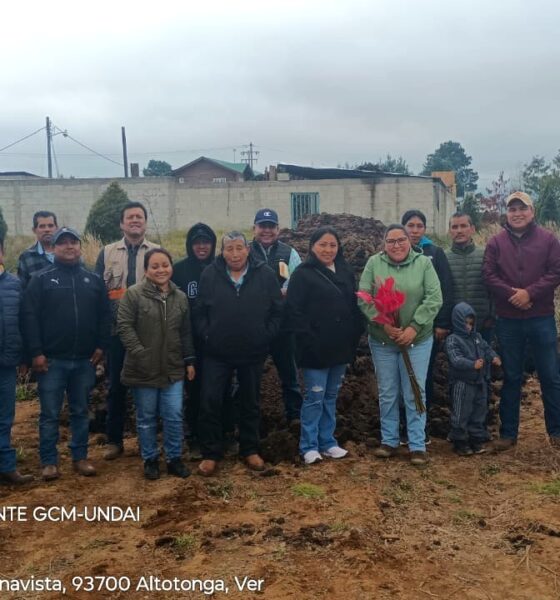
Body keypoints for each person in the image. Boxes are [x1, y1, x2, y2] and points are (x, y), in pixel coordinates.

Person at [23, 227, 110, 480]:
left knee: (80, 411)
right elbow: (29, 317)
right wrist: (36, 352)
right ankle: (49, 462)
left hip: (84, 361)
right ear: (54, 248)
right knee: (49, 414)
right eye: (63, 243)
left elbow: (105, 316)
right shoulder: (41, 279)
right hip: (51, 361)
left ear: (79, 247)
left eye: (73, 242)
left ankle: (80, 457)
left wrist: (101, 346)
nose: (69, 246)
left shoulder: (93, 280)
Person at [194, 232, 283, 476]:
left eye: (239, 248)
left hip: (252, 351)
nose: (234, 254)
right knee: (210, 400)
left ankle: (249, 449)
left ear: (247, 249)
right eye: (229, 249)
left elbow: (277, 310)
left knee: (250, 401)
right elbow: (199, 311)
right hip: (217, 352)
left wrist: (264, 335)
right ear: (222, 252)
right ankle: (211, 453)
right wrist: (208, 335)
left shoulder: (264, 274)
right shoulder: (210, 274)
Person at [358, 225, 442, 465]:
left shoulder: (423, 264)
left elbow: (434, 298)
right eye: (391, 241)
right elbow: (364, 297)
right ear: (384, 243)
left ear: (409, 241)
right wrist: (383, 323)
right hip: (383, 340)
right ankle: (389, 440)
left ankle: (417, 444)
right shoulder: (374, 263)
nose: (396, 245)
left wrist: (414, 327)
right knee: (387, 391)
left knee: (414, 390)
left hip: (417, 340)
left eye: (401, 240)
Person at [482, 191, 560, 450]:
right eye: (512, 209)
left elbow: (555, 272)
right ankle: (508, 434)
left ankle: (556, 432)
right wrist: (512, 295)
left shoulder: (548, 240)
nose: (517, 214)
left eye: (522, 208)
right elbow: (489, 275)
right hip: (509, 320)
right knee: (512, 376)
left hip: (541, 318)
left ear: (532, 211)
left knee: (550, 375)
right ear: (507, 213)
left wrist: (530, 293)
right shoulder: (496, 243)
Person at [286, 227, 363, 464]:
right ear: (312, 246)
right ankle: (308, 446)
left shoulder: (345, 271)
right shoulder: (302, 275)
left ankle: (327, 441)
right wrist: (308, 339)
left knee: (331, 396)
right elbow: (294, 312)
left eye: (332, 245)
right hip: (314, 350)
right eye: (322, 244)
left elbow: (353, 306)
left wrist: (354, 335)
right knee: (315, 397)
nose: (328, 250)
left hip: (340, 347)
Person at [118, 248, 195, 480]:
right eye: (155, 266)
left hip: (173, 367)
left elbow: (185, 332)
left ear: (171, 267)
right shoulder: (133, 295)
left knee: (174, 415)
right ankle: (150, 459)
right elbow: (124, 326)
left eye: (165, 265)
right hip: (143, 368)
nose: (161, 270)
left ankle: (174, 458)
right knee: (146, 417)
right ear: (146, 270)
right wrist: (140, 353)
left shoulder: (180, 297)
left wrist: (189, 360)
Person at [95, 201, 159, 460]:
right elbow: (100, 295)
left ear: (145, 223)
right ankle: (114, 440)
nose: (134, 220)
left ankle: (148, 441)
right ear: (121, 223)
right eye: (130, 217)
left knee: (148, 387)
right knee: (116, 387)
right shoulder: (107, 253)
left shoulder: (157, 252)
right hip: (116, 333)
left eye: (139, 217)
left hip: (148, 334)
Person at [401, 209, 453, 441]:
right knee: (401, 375)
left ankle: (421, 425)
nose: (414, 230)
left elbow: (445, 289)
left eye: (419, 226)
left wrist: (441, 323)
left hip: (426, 329)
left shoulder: (434, 253)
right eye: (410, 226)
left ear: (424, 228)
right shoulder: (395, 251)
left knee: (423, 376)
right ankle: (403, 424)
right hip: (399, 329)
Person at [249, 208, 303, 424]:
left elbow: (296, 283)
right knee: (249, 375)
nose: (267, 231)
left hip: (283, 325)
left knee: (289, 374)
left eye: (271, 226)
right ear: (254, 228)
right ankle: (247, 417)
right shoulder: (244, 252)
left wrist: (279, 294)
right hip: (254, 325)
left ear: (278, 229)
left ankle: (294, 416)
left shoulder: (289, 253)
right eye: (262, 226)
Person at [171, 223, 217, 457]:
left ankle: (221, 433)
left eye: (206, 242)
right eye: (197, 242)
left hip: (217, 340)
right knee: (194, 389)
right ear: (190, 245)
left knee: (219, 389)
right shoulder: (179, 270)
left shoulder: (220, 267)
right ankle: (194, 437)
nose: (201, 247)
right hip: (189, 341)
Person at [445, 302, 501, 456]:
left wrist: (494, 357)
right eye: (466, 323)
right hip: (462, 383)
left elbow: (487, 349)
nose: (469, 327)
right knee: (461, 413)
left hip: (479, 382)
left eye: (471, 323)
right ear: (457, 322)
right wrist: (472, 364)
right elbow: (456, 359)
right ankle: (460, 441)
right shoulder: (453, 339)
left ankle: (476, 439)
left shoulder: (477, 337)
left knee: (479, 411)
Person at [0, 238, 33, 484]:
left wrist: (24, 357)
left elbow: (24, 322)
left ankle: (6, 467)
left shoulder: (15, 284)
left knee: (5, 417)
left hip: (7, 362)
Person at [446, 212, 494, 343]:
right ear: (449, 231)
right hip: (454, 325)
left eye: (463, 226)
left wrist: (492, 315)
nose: (459, 231)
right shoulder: (443, 257)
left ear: (472, 229)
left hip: (483, 323)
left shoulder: (486, 254)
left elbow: (494, 287)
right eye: (454, 227)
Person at [17, 210, 58, 288]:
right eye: (42, 226)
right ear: (34, 230)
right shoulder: (27, 257)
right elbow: (22, 288)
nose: (47, 229)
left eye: (50, 226)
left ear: (56, 228)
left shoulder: (67, 253)